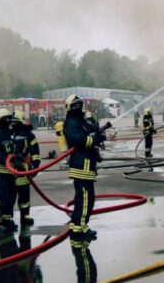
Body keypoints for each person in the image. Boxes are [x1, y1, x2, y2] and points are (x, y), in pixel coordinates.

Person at [64, 94, 106, 240]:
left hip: (87, 165)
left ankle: (78, 226)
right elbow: (79, 140)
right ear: (70, 108)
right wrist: (95, 138)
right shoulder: (71, 123)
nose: (78, 107)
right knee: (85, 200)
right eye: (75, 105)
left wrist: (99, 132)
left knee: (86, 199)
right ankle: (79, 230)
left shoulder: (81, 121)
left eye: (79, 105)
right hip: (81, 166)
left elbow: (92, 128)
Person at [13, 111, 41, 235]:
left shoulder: (28, 135)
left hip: (23, 169)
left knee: (24, 196)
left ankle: (25, 216)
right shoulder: (7, 133)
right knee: (9, 197)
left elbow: (34, 150)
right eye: (12, 122)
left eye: (15, 122)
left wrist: (35, 164)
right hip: (9, 170)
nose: (13, 124)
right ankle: (7, 219)